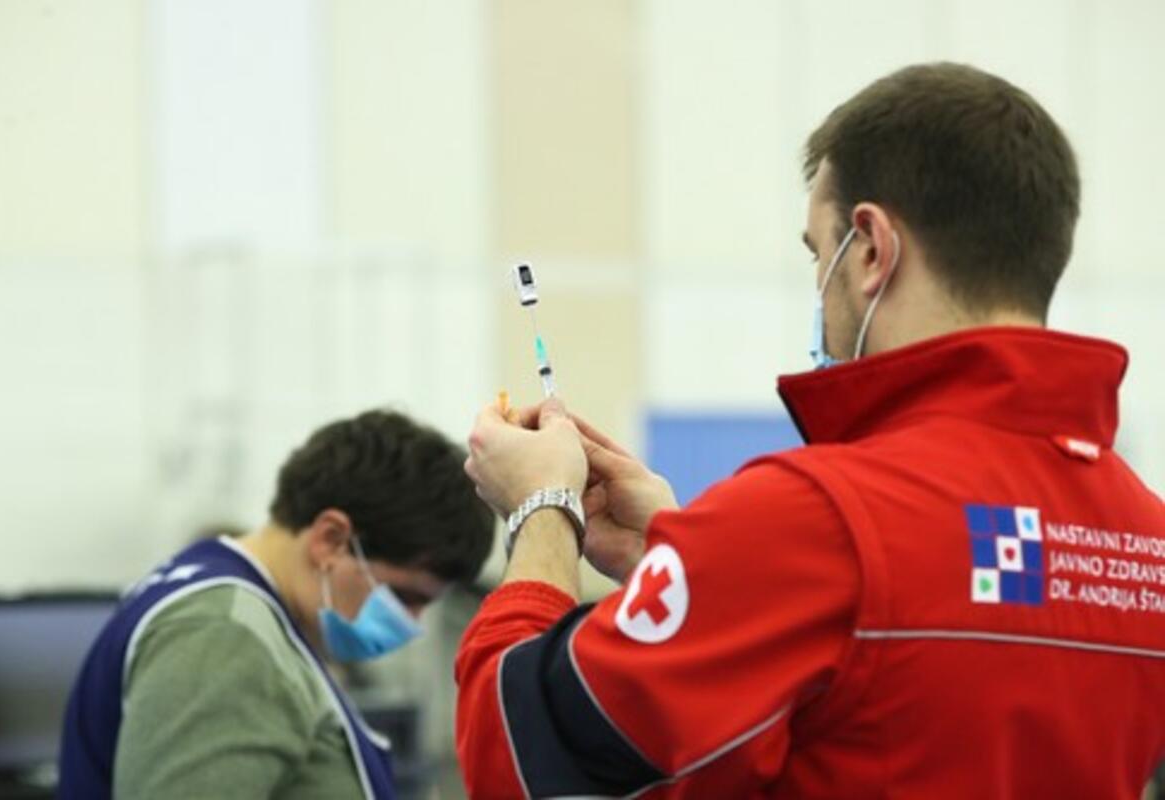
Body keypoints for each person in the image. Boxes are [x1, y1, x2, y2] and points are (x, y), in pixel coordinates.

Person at [456, 62, 1165, 798]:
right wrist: (685, 561)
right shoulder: (1143, 540)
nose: (818, 282)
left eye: (817, 253)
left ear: (872, 249)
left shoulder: (816, 518)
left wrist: (544, 509)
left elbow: (513, 753)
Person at [59, 410, 494, 800]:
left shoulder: (225, 595)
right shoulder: (226, 636)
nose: (411, 623)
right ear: (331, 539)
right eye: (403, 596)